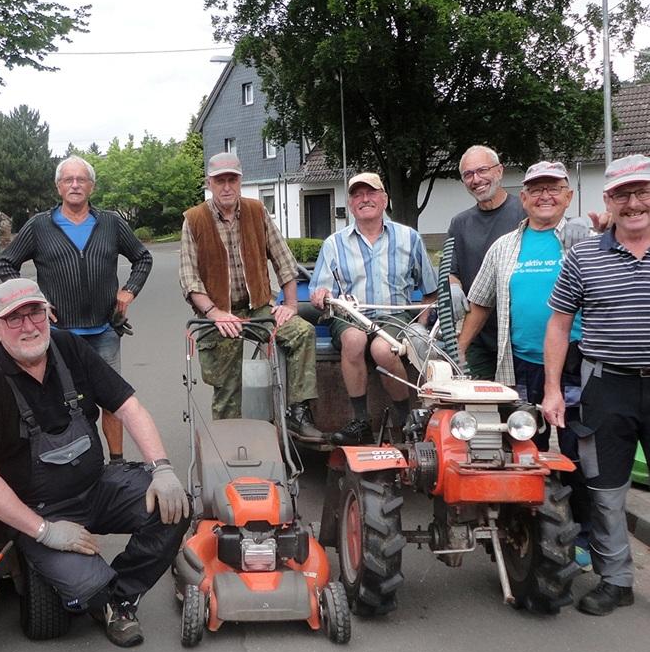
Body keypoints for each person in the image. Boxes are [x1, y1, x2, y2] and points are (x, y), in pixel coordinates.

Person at [0, 279, 188, 647]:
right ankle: (95, 592)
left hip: (96, 488)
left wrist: (161, 468)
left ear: (48, 313)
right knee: (87, 590)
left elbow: (128, 407)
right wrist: (44, 531)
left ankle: (120, 598)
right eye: (15, 318)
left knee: (174, 506)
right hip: (41, 511)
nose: (29, 326)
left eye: (35, 313)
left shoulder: (68, 347)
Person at [457, 160, 591, 565]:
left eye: (554, 189)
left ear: (568, 196)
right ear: (524, 198)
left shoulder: (583, 240)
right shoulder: (505, 247)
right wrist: (457, 350)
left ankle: (583, 537)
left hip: (578, 364)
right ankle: (527, 538)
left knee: (579, 453)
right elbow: (480, 303)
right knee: (522, 449)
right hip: (519, 365)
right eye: (536, 190)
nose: (544, 196)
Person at [543, 153, 650, 615]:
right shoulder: (584, 256)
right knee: (605, 490)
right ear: (608, 200)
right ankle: (616, 580)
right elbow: (559, 324)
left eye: (642, 192)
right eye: (623, 195)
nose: (633, 203)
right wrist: (552, 390)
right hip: (606, 384)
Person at [0, 157, 152, 462]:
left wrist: (129, 290)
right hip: (58, 334)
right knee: (65, 401)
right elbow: (5, 263)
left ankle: (116, 464)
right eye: (68, 180)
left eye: (82, 180)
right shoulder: (40, 226)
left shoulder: (111, 223)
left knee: (113, 401)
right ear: (58, 187)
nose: (75, 185)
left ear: (92, 186)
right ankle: (74, 463)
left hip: (105, 330)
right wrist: (35, 301)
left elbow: (143, 257)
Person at [179, 152, 320, 438]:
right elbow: (189, 279)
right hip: (218, 312)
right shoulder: (194, 220)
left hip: (258, 307)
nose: (226, 187)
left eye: (232, 180)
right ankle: (228, 437)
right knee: (227, 384)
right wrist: (214, 313)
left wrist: (291, 304)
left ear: (240, 181)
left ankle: (297, 412)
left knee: (302, 332)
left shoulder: (257, 211)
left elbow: (284, 261)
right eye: (220, 181)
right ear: (209, 183)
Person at [310, 172, 438, 444]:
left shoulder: (409, 238)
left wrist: (420, 328)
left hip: (394, 316)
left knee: (383, 349)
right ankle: (360, 421)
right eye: (357, 194)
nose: (364, 199)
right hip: (350, 317)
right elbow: (319, 292)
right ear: (350, 203)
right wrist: (320, 295)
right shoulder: (334, 244)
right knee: (354, 340)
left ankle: (406, 420)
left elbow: (431, 290)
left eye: (371, 193)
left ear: (384, 199)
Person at [447, 145, 525, 379]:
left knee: (519, 399)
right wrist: (453, 286)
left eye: (482, 170)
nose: (476, 179)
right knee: (477, 396)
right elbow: (451, 270)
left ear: (499, 171)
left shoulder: (525, 213)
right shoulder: (460, 223)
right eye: (468, 174)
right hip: (478, 335)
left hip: (518, 334)